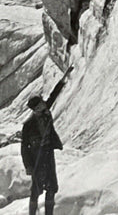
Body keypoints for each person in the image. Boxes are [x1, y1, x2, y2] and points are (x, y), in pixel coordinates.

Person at [21, 66, 73, 215]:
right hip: (36, 157)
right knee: (36, 189)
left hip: (48, 154)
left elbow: (53, 96)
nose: (45, 104)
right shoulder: (28, 125)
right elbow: (24, 147)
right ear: (36, 109)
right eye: (41, 105)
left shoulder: (45, 112)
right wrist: (28, 166)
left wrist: (64, 79)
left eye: (43, 104)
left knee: (52, 187)